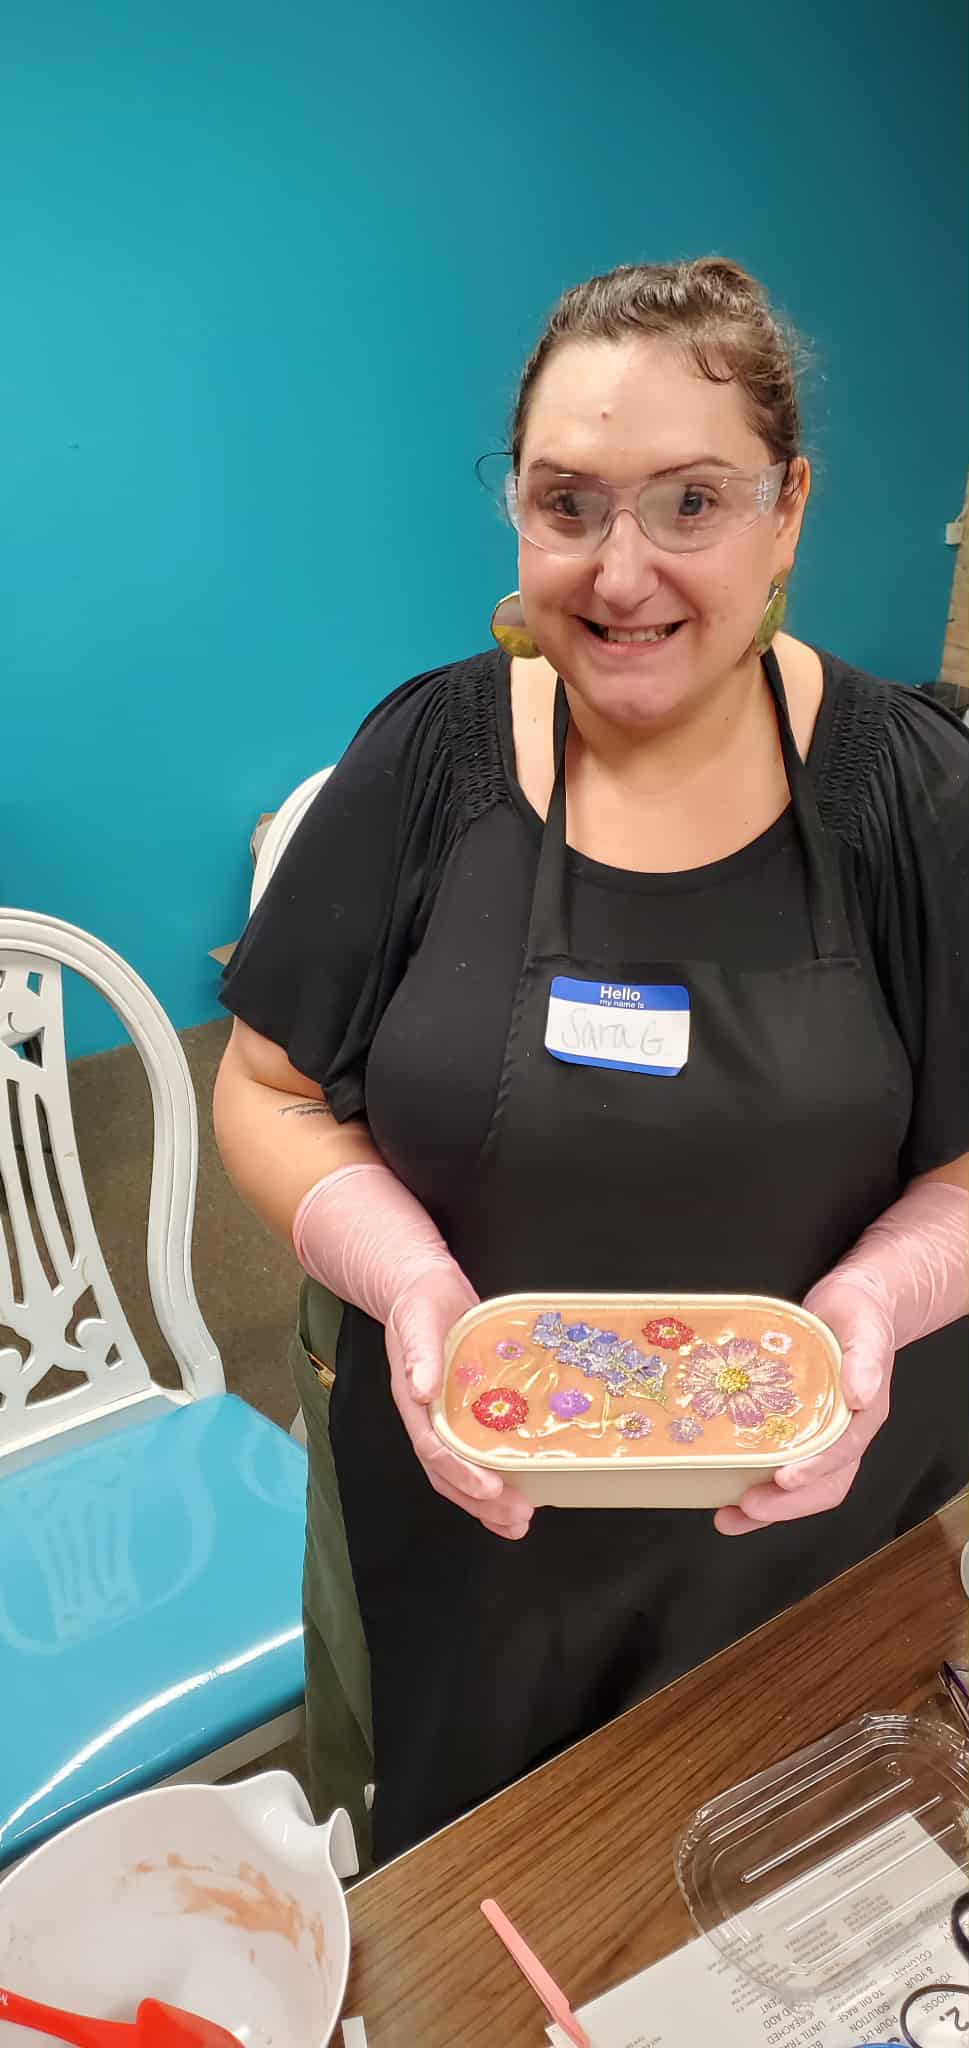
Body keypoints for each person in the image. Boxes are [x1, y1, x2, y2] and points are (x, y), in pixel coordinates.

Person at [214, 257, 969, 1867]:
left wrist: (874, 1303)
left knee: (786, 1894)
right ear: (517, 513)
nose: (622, 574)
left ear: (788, 507)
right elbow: (265, 1088)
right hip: (474, 1529)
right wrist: (410, 1281)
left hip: (813, 1524)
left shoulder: (915, 795)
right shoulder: (423, 762)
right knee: (481, 1909)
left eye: (691, 501)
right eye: (567, 505)